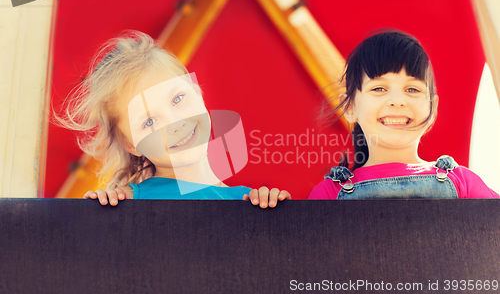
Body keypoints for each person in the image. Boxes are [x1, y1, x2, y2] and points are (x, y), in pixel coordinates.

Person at [55, 30, 290, 207]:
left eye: (177, 99)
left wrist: (276, 212)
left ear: (198, 92)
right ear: (131, 144)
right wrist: (102, 210)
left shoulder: (249, 201)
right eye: (149, 122)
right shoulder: (126, 203)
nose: (174, 124)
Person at [309, 30, 498, 200]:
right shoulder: (328, 194)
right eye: (379, 88)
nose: (398, 100)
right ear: (350, 108)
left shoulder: (462, 183)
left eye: (413, 89)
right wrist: (280, 210)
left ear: (433, 107)